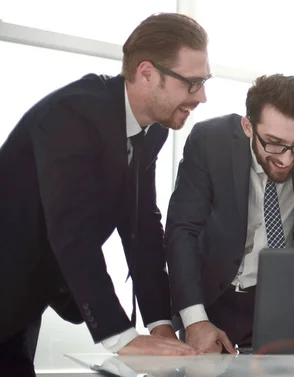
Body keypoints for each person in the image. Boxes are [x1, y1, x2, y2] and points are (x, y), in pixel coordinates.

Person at [0, 12, 210, 373]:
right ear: (147, 73)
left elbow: (143, 227)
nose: (203, 96)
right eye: (192, 83)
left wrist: (160, 324)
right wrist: (122, 337)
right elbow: (72, 232)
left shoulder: (152, 130)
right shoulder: (74, 114)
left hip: (26, 296)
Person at [165, 73, 294, 353]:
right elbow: (182, 231)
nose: (286, 158)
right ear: (248, 127)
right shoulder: (210, 141)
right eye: (274, 143)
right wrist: (195, 321)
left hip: (287, 303)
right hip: (215, 299)